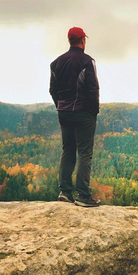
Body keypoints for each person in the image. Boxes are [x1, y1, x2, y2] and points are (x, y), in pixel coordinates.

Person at [49, 27, 100, 207]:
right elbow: (93, 89)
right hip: (83, 113)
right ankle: (83, 195)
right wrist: (93, 112)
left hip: (64, 113)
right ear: (83, 41)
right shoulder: (87, 61)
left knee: (68, 150)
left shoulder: (56, 63)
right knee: (85, 153)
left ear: (69, 40)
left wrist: (60, 106)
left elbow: (52, 90)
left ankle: (64, 192)